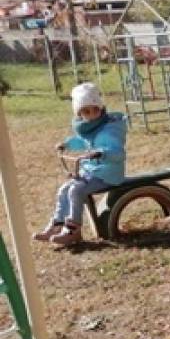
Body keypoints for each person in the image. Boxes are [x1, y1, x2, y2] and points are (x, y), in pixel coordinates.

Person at [33, 82, 127, 247]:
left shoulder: (110, 129)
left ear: (101, 108)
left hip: (108, 174)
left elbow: (119, 154)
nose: (92, 115)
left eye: (95, 110)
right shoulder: (89, 128)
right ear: (79, 113)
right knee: (64, 189)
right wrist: (67, 144)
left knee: (76, 190)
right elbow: (81, 141)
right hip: (92, 172)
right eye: (86, 112)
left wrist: (102, 153)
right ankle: (57, 224)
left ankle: (73, 230)